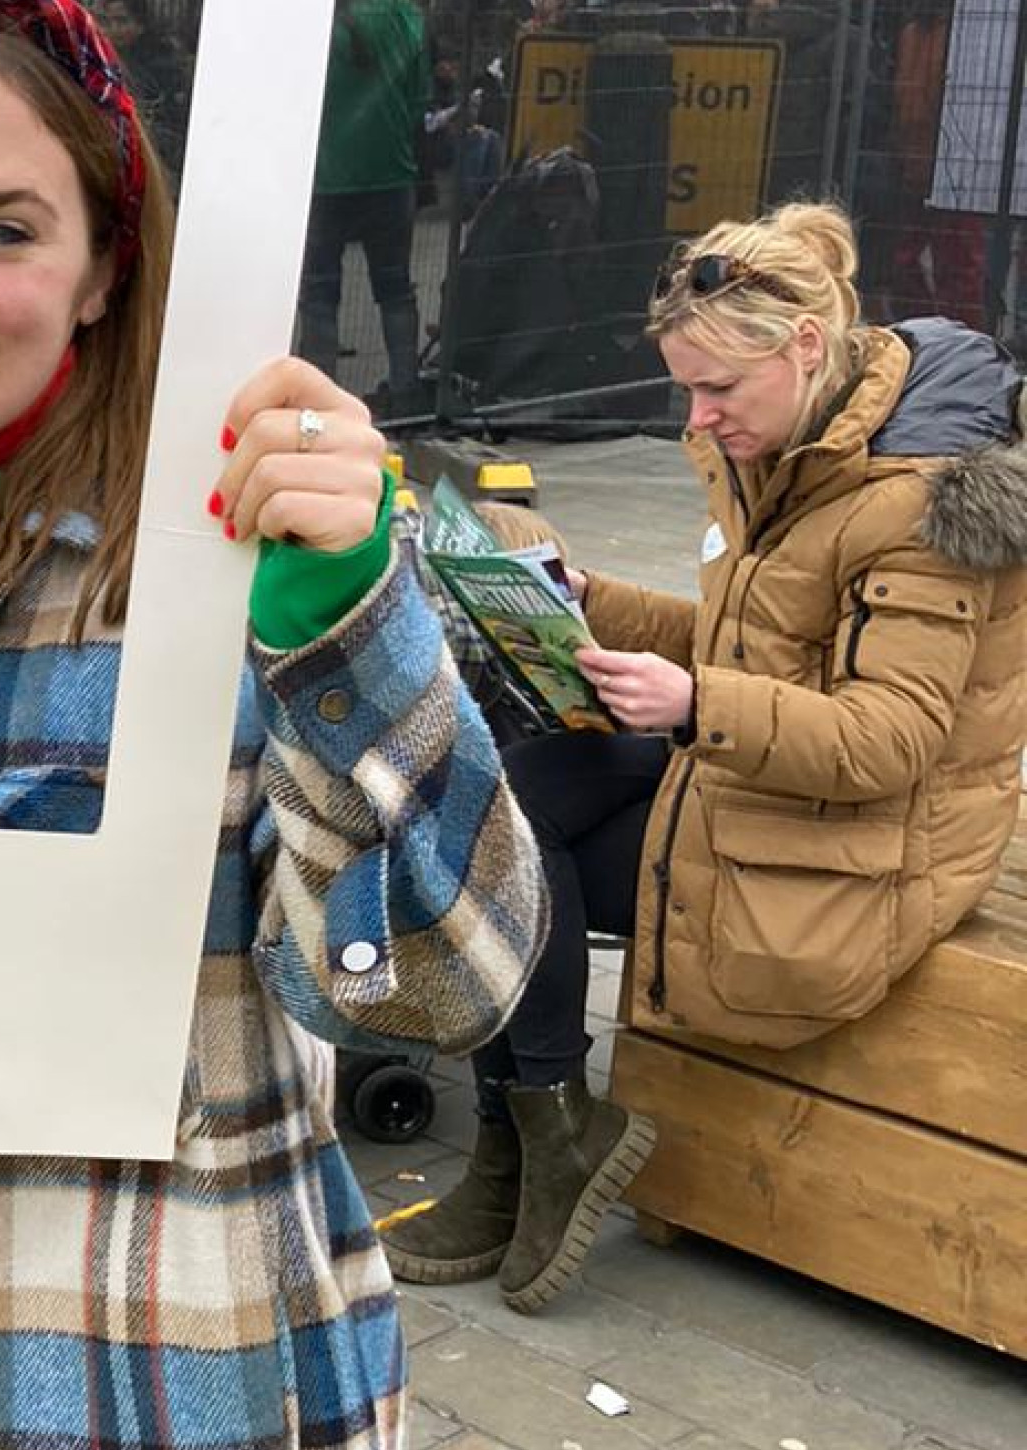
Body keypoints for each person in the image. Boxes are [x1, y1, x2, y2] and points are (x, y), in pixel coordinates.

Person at [0, 4, 546, 1444]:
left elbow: (443, 985)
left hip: (132, 1386)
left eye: (3, 231)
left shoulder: (214, 566)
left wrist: (343, 626)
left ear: (102, 266)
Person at [385, 201, 1027, 1313]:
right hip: (773, 783)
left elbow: (891, 738)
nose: (700, 416)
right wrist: (594, 607)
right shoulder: (787, 446)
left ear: (808, 348)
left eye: (720, 390)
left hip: (877, 842)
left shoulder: (919, 506)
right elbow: (754, 643)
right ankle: (534, 1134)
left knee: (527, 836)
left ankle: (530, 1136)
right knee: (504, 794)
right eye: (687, 389)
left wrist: (694, 703)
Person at [295, 0, 432, 414]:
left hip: (323, 179)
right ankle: (406, 392)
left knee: (319, 293)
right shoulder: (407, 18)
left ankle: (319, 402)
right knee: (395, 287)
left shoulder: (314, 21)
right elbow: (418, 101)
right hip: (391, 174)